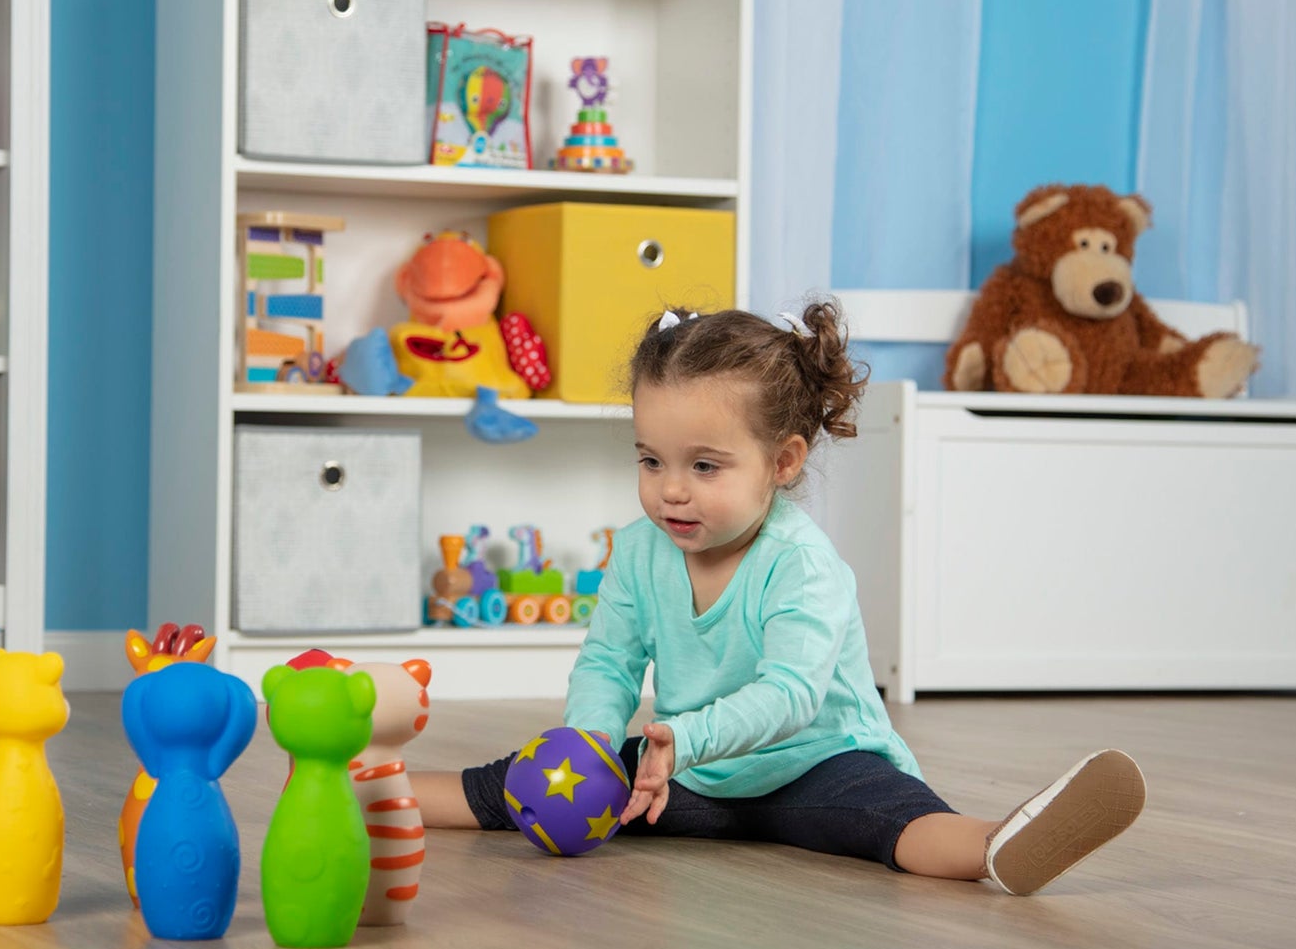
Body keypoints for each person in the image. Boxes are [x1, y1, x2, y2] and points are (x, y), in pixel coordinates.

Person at [412, 301, 1146, 894]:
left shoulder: (801, 564)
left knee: (886, 820)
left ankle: (1000, 841)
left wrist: (684, 737)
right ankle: (382, 789)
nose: (670, 487)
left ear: (783, 461)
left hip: (816, 760)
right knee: (529, 778)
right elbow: (608, 661)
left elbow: (792, 693)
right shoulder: (639, 550)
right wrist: (593, 746)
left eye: (703, 465)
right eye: (650, 459)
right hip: (692, 772)